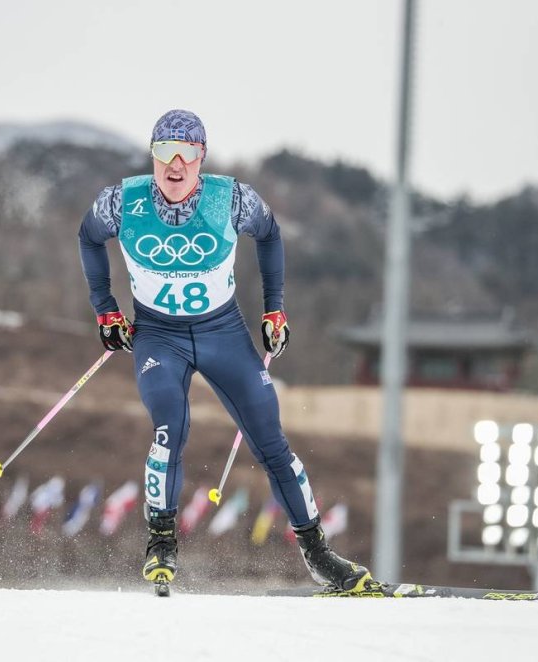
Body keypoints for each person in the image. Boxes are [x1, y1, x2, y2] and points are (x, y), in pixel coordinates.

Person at [78, 109, 378, 593]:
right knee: (169, 426)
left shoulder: (232, 199)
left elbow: (270, 234)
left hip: (223, 333)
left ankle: (319, 554)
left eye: (187, 153)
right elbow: (88, 237)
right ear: (152, 155)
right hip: (160, 336)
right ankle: (161, 542)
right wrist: (105, 310)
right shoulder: (120, 202)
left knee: (271, 441)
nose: (175, 164)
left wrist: (274, 309)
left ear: (202, 158)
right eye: (164, 152)